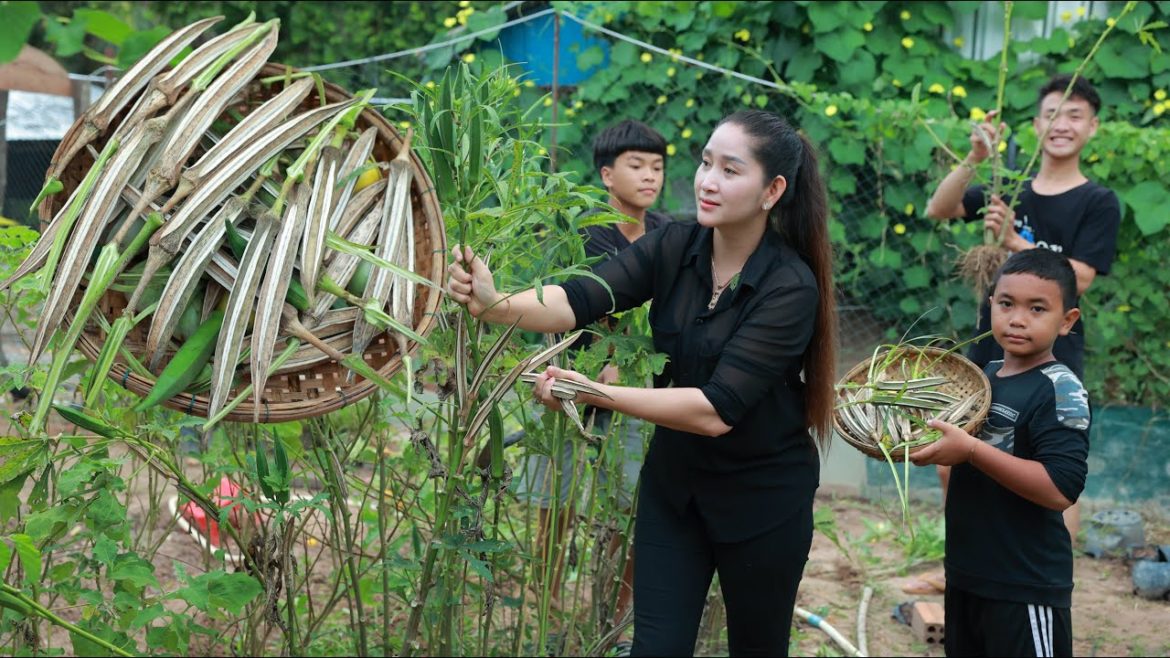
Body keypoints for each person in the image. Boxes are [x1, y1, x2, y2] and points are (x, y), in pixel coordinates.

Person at [449, 109, 837, 656]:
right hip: (676, 490)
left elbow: (715, 410)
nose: (706, 180)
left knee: (758, 647)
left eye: (730, 170)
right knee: (654, 647)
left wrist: (593, 393)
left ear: (772, 190)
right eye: (705, 163)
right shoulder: (674, 247)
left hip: (762, 502)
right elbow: (576, 300)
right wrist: (494, 304)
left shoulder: (789, 287)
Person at [923, 73, 1119, 554]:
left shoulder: (1097, 201)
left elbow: (1084, 277)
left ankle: (1055, 567)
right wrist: (976, 159)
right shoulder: (1010, 185)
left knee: (1051, 457)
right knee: (959, 448)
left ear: (1092, 127)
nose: (1062, 124)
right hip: (990, 344)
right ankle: (963, 559)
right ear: (1035, 124)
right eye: (1052, 114)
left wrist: (1014, 242)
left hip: (1053, 349)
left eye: (1075, 116)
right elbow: (939, 207)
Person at [513, 119, 669, 627]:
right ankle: (548, 607)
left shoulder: (668, 234)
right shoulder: (581, 231)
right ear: (606, 174)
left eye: (658, 167)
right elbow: (562, 305)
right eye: (636, 165)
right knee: (556, 501)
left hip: (634, 392)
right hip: (573, 381)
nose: (650, 176)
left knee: (629, 502)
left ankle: (616, 612)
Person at [909, 248, 1090, 657]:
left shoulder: (1061, 389)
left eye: (1037, 308)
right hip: (967, 576)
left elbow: (1061, 489)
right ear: (991, 306)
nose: (1018, 318)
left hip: (1025, 587)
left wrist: (971, 450)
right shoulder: (984, 377)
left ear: (1067, 321)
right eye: (1006, 304)